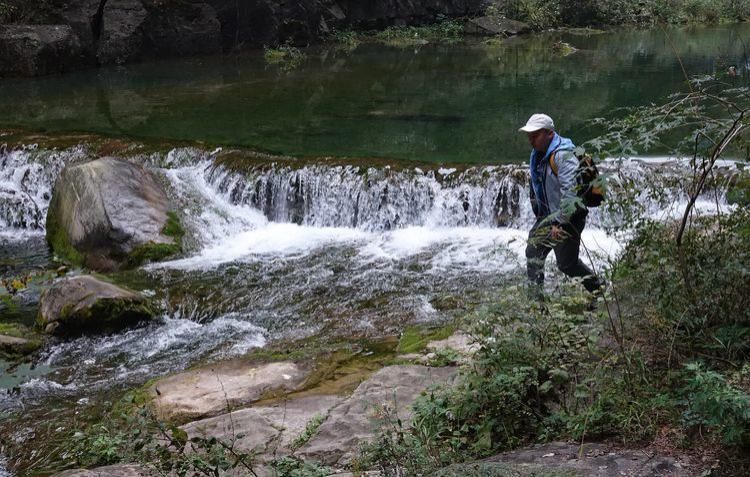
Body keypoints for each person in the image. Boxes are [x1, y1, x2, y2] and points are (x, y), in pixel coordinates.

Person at [519, 113, 603, 297]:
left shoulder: (563, 155)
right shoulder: (539, 153)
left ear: (549, 134)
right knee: (533, 252)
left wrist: (561, 223)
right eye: (529, 136)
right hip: (549, 216)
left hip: (569, 217)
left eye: (535, 135)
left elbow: (570, 192)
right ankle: (537, 303)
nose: (531, 140)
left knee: (567, 264)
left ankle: (599, 289)